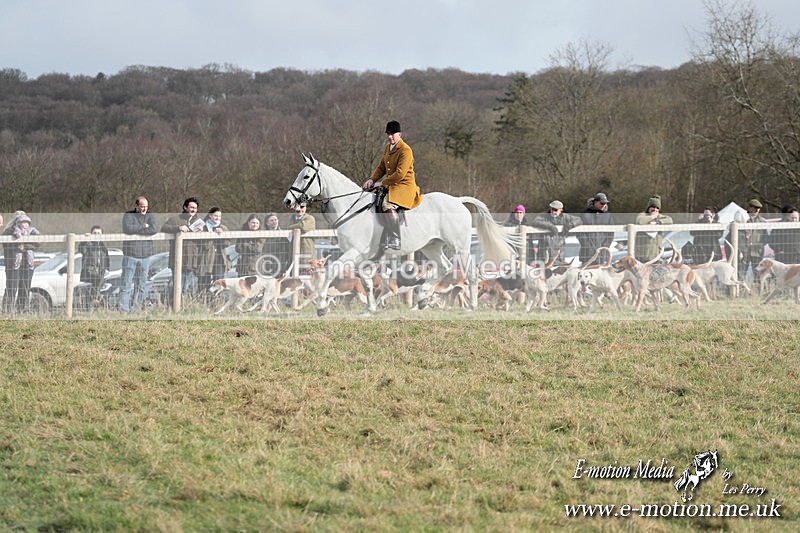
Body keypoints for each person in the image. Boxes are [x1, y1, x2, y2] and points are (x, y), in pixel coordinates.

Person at [362, 120, 423, 250]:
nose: (390, 137)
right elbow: (381, 167)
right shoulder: (387, 148)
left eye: (393, 134)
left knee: (387, 204)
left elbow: (400, 174)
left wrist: (382, 183)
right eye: (388, 134)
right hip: (392, 185)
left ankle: (395, 239)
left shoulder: (405, 150)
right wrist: (372, 180)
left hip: (404, 186)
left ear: (400, 134)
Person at [121, 196, 157, 313]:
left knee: (141, 285)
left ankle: (136, 308)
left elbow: (153, 229)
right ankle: (124, 310)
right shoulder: (128, 215)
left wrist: (137, 229)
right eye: (142, 206)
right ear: (136, 206)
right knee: (126, 284)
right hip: (130, 254)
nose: (144, 209)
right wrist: (144, 226)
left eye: (146, 206)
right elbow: (128, 229)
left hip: (145, 255)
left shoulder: (150, 216)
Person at [162, 197, 204, 295]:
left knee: (186, 288)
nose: (193, 210)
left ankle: (184, 303)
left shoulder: (199, 223)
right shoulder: (175, 219)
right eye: (191, 207)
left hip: (191, 261)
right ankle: (172, 303)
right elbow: (164, 228)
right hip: (177, 260)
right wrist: (178, 228)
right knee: (176, 287)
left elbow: (203, 243)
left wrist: (202, 233)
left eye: (195, 208)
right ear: (185, 207)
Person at [8, 214, 41, 312]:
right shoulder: (12, 230)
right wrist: (24, 244)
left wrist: (25, 246)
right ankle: (9, 309)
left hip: (27, 264)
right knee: (12, 288)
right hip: (15, 265)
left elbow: (37, 243)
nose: (25, 225)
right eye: (23, 222)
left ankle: (22, 308)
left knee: (25, 287)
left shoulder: (31, 230)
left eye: (27, 222)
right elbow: (13, 244)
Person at [197, 206, 230, 292]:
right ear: (210, 215)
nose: (218, 218)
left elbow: (227, 244)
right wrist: (213, 235)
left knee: (218, 282)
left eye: (219, 216)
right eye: (215, 216)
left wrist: (221, 235)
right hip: (206, 258)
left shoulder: (223, 228)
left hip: (220, 258)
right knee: (204, 282)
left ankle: (216, 298)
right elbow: (205, 245)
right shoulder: (202, 227)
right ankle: (203, 298)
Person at [578, 192, 615, 264]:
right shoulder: (584, 214)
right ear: (595, 202)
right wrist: (588, 246)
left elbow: (611, 233)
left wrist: (605, 246)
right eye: (602, 203)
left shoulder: (608, 216)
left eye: (605, 203)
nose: (603, 205)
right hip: (587, 253)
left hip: (602, 253)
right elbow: (580, 233)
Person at [634, 195, 674, 262]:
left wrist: (658, 222)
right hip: (642, 255)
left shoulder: (660, 217)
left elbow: (670, 220)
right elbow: (639, 221)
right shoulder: (643, 215)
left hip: (656, 255)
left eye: (657, 208)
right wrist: (652, 217)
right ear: (648, 208)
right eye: (653, 207)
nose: (655, 209)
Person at [737, 198, 767, 286]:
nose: (757, 210)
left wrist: (760, 245)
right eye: (755, 208)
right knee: (741, 274)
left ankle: (758, 291)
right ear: (749, 208)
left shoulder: (763, 222)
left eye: (758, 208)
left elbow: (766, 237)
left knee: (758, 275)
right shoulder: (742, 219)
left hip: (757, 252)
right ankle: (739, 291)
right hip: (744, 252)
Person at [78, 225, 110, 304]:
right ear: (91, 234)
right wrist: (85, 239)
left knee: (102, 283)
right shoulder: (88, 245)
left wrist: (107, 270)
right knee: (98, 279)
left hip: (101, 273)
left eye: (99, 233)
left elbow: (107, 260)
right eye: (95, 233)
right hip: (89, 272)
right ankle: (94, 299)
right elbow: (81, 249)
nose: (97, 235)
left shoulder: (103, 247)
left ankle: (96, 302)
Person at [2, 211, 25, 313]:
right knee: (11, 287)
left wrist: (24, 247)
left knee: (23, 287)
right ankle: (7, 308)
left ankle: (20, 309)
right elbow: (8, 246)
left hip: (24, 263)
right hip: (12, 263)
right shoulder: (9, 231)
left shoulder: (26, 231)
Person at [286, 202, 316, 269]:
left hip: (306, 254)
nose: (299, 209)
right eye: (297, 207)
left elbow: (302, 227)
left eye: (302, 207)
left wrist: (291, 227)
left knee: (305, 273)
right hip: (292, 253)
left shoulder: (310, 218)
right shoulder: (292, 218)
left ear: (305, 208)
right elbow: (288, 227)